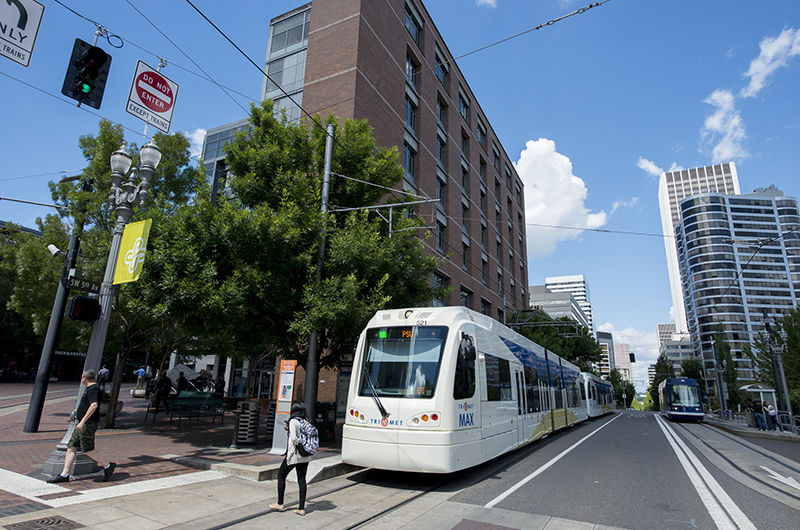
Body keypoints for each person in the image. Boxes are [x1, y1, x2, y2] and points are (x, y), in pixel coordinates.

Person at [47, 370, 116, 483]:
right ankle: (64, 474)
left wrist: (82, 421)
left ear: (84, 378)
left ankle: (108, 466)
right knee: (71, 446)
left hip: (87, 424)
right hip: (82, 424)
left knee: (87, 449)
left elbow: (94, 405)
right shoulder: (91, 388)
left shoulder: (93, 389)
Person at [269, 403, 312, 516]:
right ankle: (301, 508)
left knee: (281, 475)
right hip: (305, 455)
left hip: (294, 454)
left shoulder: (293, 421)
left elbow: (294, 438)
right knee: (302, 480)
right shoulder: (306, 421)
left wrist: (298, 444)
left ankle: (280, 503)